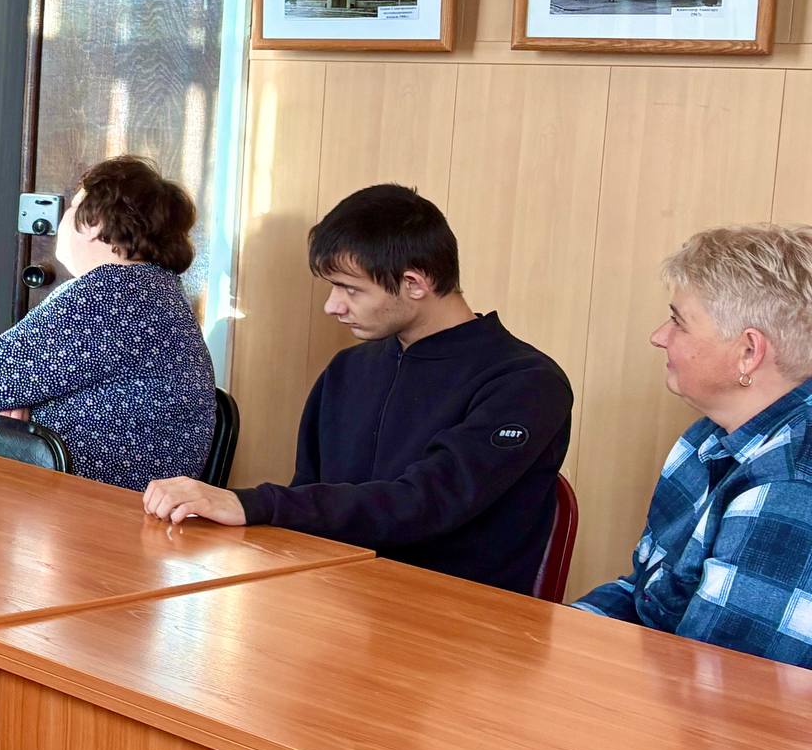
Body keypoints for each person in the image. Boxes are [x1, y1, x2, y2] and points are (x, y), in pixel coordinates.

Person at [144, 184, 572, 594]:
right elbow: (310, 499)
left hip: (460, 621)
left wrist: (252, 504)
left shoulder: (527, 384)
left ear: (414, 283)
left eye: (350, 289)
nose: (332, 306)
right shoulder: (348, 370)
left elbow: (424, 503)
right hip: (336, 601)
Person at [575, 226, 812, 665]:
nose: (658, 336)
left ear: (749, 353)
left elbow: (725, 684)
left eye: (679, 322)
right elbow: (645, 594)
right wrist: (550, 635)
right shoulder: (707, 435)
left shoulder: (790, 485)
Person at [0, 156, 214, 488]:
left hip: (90, 504)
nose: (62, 220)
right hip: (126, 502)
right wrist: (13, 398)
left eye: (72, 207)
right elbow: (4, 377)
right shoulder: (155, 291)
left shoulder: (112, 296)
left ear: (94, 221)